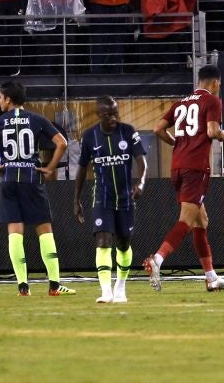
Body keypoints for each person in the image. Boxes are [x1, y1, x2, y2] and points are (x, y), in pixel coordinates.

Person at [0, 81, 73, 296]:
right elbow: (62, 143)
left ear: (8, 99)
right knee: (44, 230)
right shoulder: (37, 119)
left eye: (0, 97)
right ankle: (54, 285)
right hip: (32, 178)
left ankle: (23, 287)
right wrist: (50, 167)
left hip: (8, 180)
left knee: (15, 233)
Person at [142, 65, 224, 292]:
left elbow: (157, 129)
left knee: (201, 222)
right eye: (218, 85)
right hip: (196, 168)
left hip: (178, 167)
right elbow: (213, 131)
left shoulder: (180, 103)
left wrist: (178, 144)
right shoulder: (212, 101)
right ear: (214, 84)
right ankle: (158, 259)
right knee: (185, 220)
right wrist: (223, 134)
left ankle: (211, 278)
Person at [73, 96, 147, 303]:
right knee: (103, 241)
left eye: (116, 113)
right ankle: (105, 290)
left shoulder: (128, 131)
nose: (113, 118)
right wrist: (76, 200)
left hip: (125, 198)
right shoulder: (89, 137)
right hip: (102, 197)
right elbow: (81, 169)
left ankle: (120, 286)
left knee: (123, 244)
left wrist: (141, 182)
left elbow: (141, 161)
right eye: (108, 114)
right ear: (99, 115)